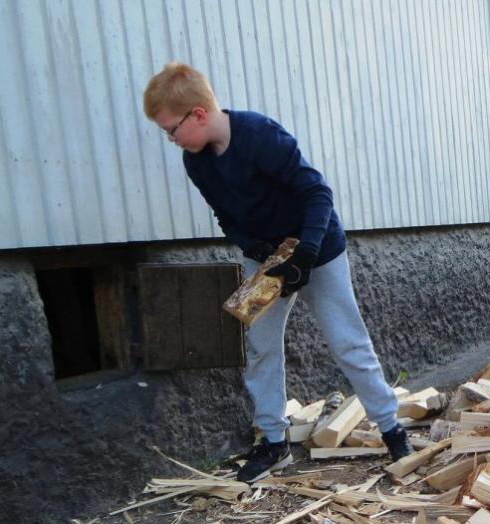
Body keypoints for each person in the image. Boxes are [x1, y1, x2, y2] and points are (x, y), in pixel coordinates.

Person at [142, 62, 411, 482]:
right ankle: (273, 442)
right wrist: (255, 248)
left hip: (315, 246)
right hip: (267, 256)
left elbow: (317, 193)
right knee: (261, 345)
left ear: (197, 114)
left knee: (347, 342)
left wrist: (304, 253)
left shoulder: (260, 135)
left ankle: (393, 432)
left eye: (171, 130)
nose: (170, 139)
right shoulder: (196, 162)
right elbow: (225, 216)